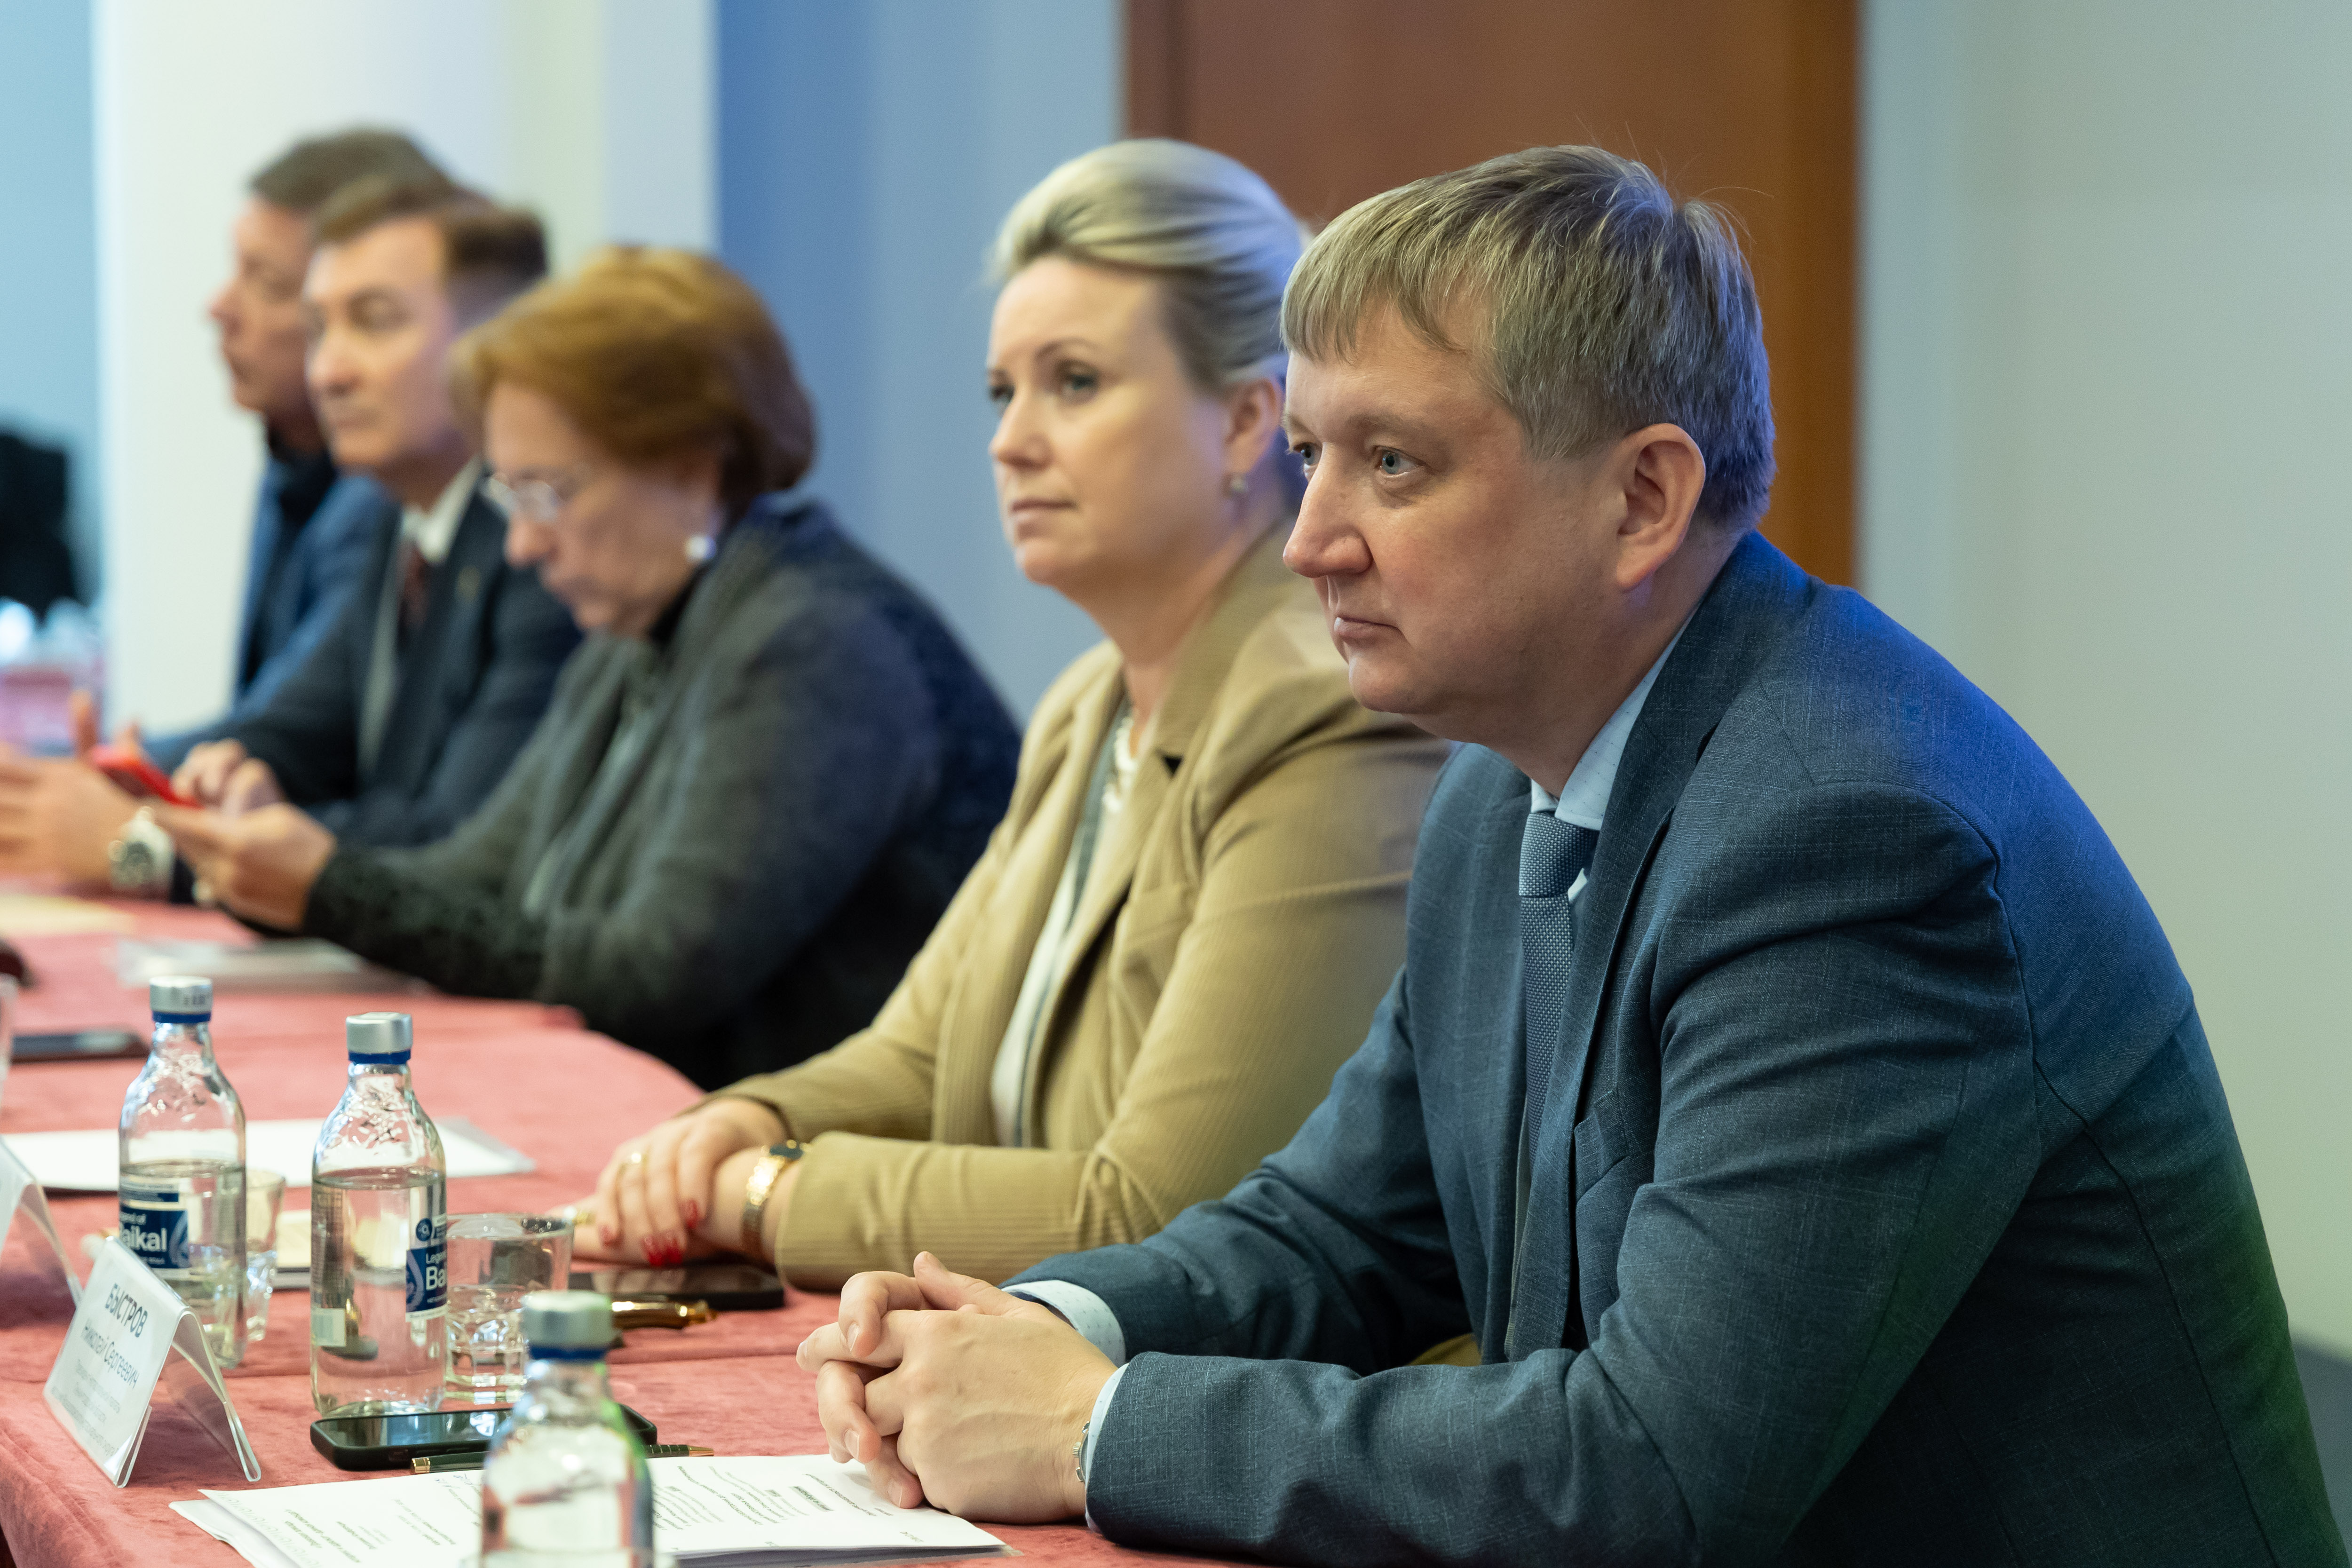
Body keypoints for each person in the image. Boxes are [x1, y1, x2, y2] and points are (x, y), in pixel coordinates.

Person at [792, 146, 2345, 1567]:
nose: (1309, 537)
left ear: (1642, 499)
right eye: (1312, 452)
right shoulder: (1500, 785)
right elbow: (1340, 1228)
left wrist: (1090, 1423)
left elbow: (1655, 1470)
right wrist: (1027, 1324)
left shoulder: (1851, 837)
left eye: (1392, 464)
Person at [559, 140, 1446, 1281]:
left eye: (1072, 382)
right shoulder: (1087, 705)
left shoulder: (1321, 715)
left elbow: (1163, 1211)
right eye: (1001, 390)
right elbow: (922, 1055)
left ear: (1240, 422)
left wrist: (764, 1192)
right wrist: (746, 1119)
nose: (1010, 440)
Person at [160, 247, 1022, 1089]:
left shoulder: (814, 643)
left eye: (546, 493)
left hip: (819, 1158)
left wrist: (327, 888)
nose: (523, 545)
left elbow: (654, 973)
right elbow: (479, 874)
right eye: (510, 498)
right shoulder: (636, 631)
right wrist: (287, 861)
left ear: (690, 470)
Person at [156, 127, 450, 756]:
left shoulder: (384, 498)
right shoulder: (295, 456)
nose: (219, 308)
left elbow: (292, 738)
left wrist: (117, 794)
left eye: (265, 281)